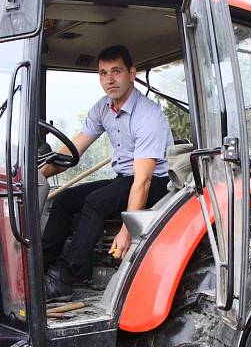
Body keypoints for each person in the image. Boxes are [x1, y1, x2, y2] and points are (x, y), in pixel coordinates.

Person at [41, 45, 173, 302]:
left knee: (96, 202)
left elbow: (143, 180)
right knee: (64, 200)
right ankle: (41, 267)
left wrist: (128, 231)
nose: (109, 79)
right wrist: (37, 175)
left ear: (131, 73)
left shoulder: (148, 115)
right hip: (125, 179)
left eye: (116, 71)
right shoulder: (103, 108)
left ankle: (63, 279)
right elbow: (72, 151)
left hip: (155, 182)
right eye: (103, 73)